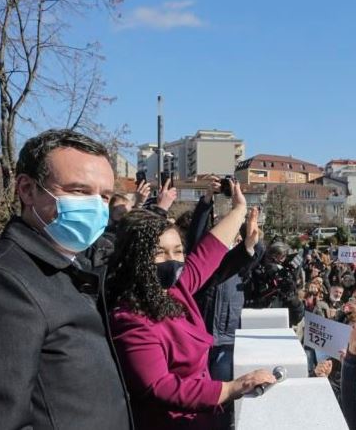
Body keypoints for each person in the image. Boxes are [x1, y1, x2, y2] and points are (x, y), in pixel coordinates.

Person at [0, 129, 131, 429]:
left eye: (104, 196)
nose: (96, 207)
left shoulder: (68, 268)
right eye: (78, 191)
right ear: (27, 190)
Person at [108, 180, 276, 429]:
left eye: (177, 251)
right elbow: (159, 386)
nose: (172, 261)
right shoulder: (129, 318)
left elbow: (209, 251)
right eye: (160, 253)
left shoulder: (174, 290)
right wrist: (232, 388)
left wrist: (239, 209)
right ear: (137, 258)